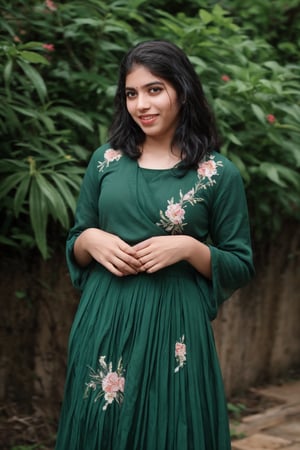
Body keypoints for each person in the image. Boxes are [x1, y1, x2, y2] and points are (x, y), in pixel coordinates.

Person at [55, 40, 254, 450]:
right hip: (105, 320)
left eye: (154, 89)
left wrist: (187, 248)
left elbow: (240, 264)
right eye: (131, 93)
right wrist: (89, 239)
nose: (141, 104)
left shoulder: (217, 173)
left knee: (170, 431)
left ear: (182, 91)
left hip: (174, 325)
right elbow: (76, 240)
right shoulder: (105, 161)